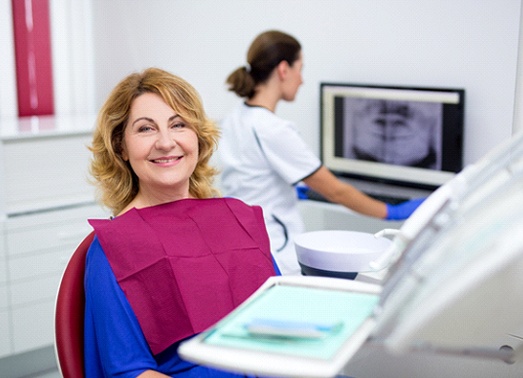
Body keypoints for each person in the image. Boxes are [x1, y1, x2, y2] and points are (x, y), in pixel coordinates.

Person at [84, 67, 278, 377]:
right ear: (121, 146)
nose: (165, 142)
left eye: (178, 124)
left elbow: (281, 318)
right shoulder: (113, 248)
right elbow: (129, 372)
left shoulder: (237, 218)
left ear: (198, 138)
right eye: (146, 129)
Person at [219, 30, 424, 275]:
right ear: (284, 70)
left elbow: (249, 177)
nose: (302, 79)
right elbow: (336, 191)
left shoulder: (235, 117)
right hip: (276, 250)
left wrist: (288, 189)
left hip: (245, 244)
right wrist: (390, 212)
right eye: (300, 69)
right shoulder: (273, 129)